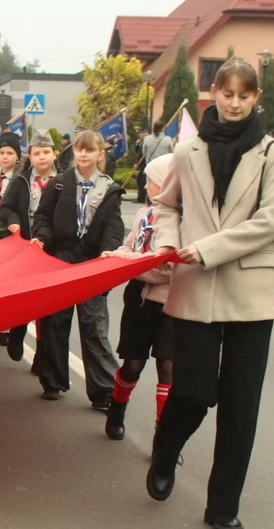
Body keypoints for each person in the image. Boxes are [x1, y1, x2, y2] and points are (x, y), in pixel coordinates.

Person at [146, 58, 274, 529]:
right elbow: (165, 205)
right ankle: (165, 451)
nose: (234, 103)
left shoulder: (273, 154)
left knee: (240, 402)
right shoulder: (187, 150)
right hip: (195, 288)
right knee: (194, 391)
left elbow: (271, 220)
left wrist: (205, 248)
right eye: (226, 94)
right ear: (213, 94)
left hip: (250, 288)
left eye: (244, 96)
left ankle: (223, 506)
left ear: (255, 100)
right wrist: (167, 243)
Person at [30, 130, 124, 408]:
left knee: (94, 324)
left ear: (100, 155)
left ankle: (104, 390)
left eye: (89, 150)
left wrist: (110, 249)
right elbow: (42, 217)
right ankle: (53, 380)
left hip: (92, 261)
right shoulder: (59, 184)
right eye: (79, 150)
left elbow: (114, 226)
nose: (83, 155)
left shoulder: (109, 188)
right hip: (61, 258)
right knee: (56, 322)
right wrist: (43, 236)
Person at [99, 153, 175, 441]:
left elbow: (166, 268)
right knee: (132, 364)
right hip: (139, 302)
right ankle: (117, 408)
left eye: (152, 182)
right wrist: (115, 256)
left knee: (168, 367)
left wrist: (131, 265)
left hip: (171, 304)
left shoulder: (181, 220)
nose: (146, 187)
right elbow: (130, 246)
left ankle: (163, 434)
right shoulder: (144, 215)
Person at [0, 129, 60, 362]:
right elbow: (5, 207)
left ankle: (43, 358)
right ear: (30, 155)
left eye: (47, 152)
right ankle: (17, 330)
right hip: (25, 245)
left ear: (55, 154)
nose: (42, 157)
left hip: (53, 247)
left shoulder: (63, 182)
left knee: (48, 304)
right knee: (26, 297)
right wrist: (14, 223)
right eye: (37, 153)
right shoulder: (22, 180)